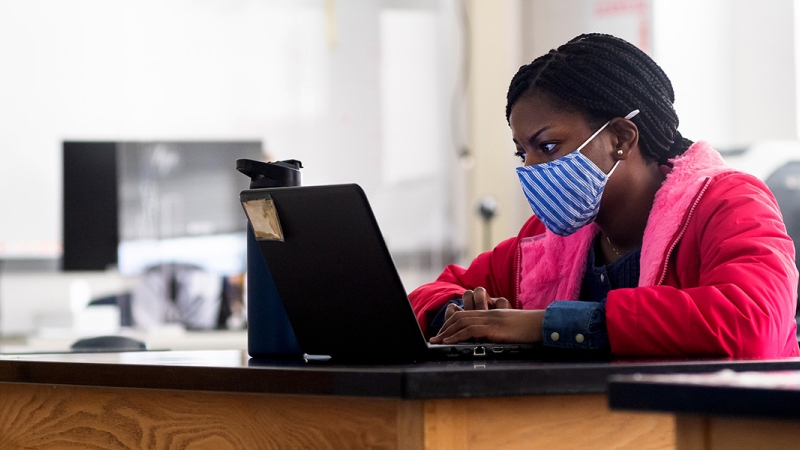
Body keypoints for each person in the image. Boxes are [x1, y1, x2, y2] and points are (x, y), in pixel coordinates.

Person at [410, 33, 799, 358]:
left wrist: (547, 324)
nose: (529, 169)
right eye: (521, 152)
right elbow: (425, 295)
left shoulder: (727, 203)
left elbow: (751, 324)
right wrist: (461, 314)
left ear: (620, 138)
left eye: (547, 146)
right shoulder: (551, 239)